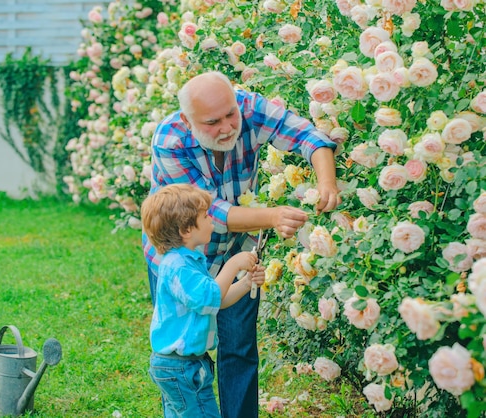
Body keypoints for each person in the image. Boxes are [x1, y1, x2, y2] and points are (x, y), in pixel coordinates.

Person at [142, 71, 341, 418]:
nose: (227, 127)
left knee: (238, 348)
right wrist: (273, 216)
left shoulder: (251, 108)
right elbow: (212, 212)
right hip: (180, 255)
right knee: (183, 354)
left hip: (236, 247)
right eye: (212, 122)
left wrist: (327, 183)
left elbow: (310, 136)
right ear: (188, 122)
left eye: (231, 114)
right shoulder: (170, 140)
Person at [141, 183, 266, 417]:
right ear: (187, 230)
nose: (211, 220)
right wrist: (233, 264)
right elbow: (211, 297)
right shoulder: (179, 266)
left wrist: (246, 283)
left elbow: (214, 303)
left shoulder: (188, 260)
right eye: (206, 216)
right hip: (181, 368)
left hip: (183, 365)